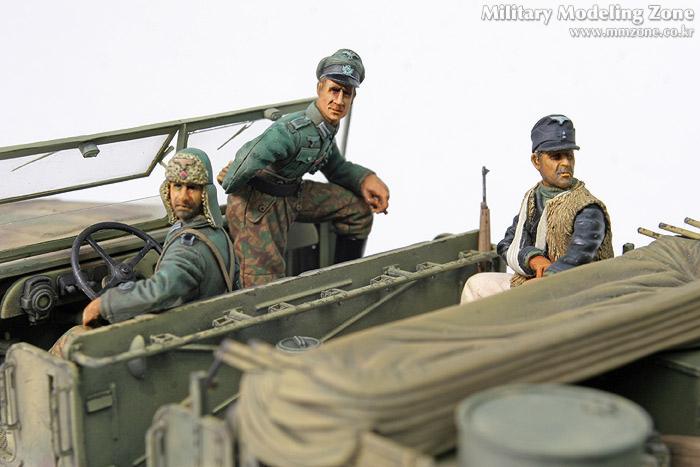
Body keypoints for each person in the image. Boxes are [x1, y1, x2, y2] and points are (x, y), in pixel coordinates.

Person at [217, 49, 390, 287]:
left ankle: (343, 282)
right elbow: (252, 154)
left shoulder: (326, 129)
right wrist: (231, 179)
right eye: (334, 90)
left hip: (292, 193)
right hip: (259, 203)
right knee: (264, 284)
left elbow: (336, 167)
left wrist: (365, 179)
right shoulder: (292, 130)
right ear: (320, 89)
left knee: (357, 212)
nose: (339, 101)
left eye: (347, 93)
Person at [50, 148, 239, 357]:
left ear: (205, 193)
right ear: (168, 190)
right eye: (177, 186)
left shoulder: (188, 247)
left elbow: (162, 290)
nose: (182, 197)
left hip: (180, 339)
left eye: (192, 188)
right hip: (207, 324)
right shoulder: (215, 232)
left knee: (73, 338)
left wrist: (105, 304)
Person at [461, 114, 613, 303]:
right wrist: (532, 258)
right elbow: (507, 244)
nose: (566, 163)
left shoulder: (587, 208)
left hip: (575, 290)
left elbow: (578, 258)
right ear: (536, 161)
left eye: (569, 156)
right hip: (532, 280)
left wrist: (545, 279)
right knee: (476, 285)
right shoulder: (532, 199)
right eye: (556, 156)